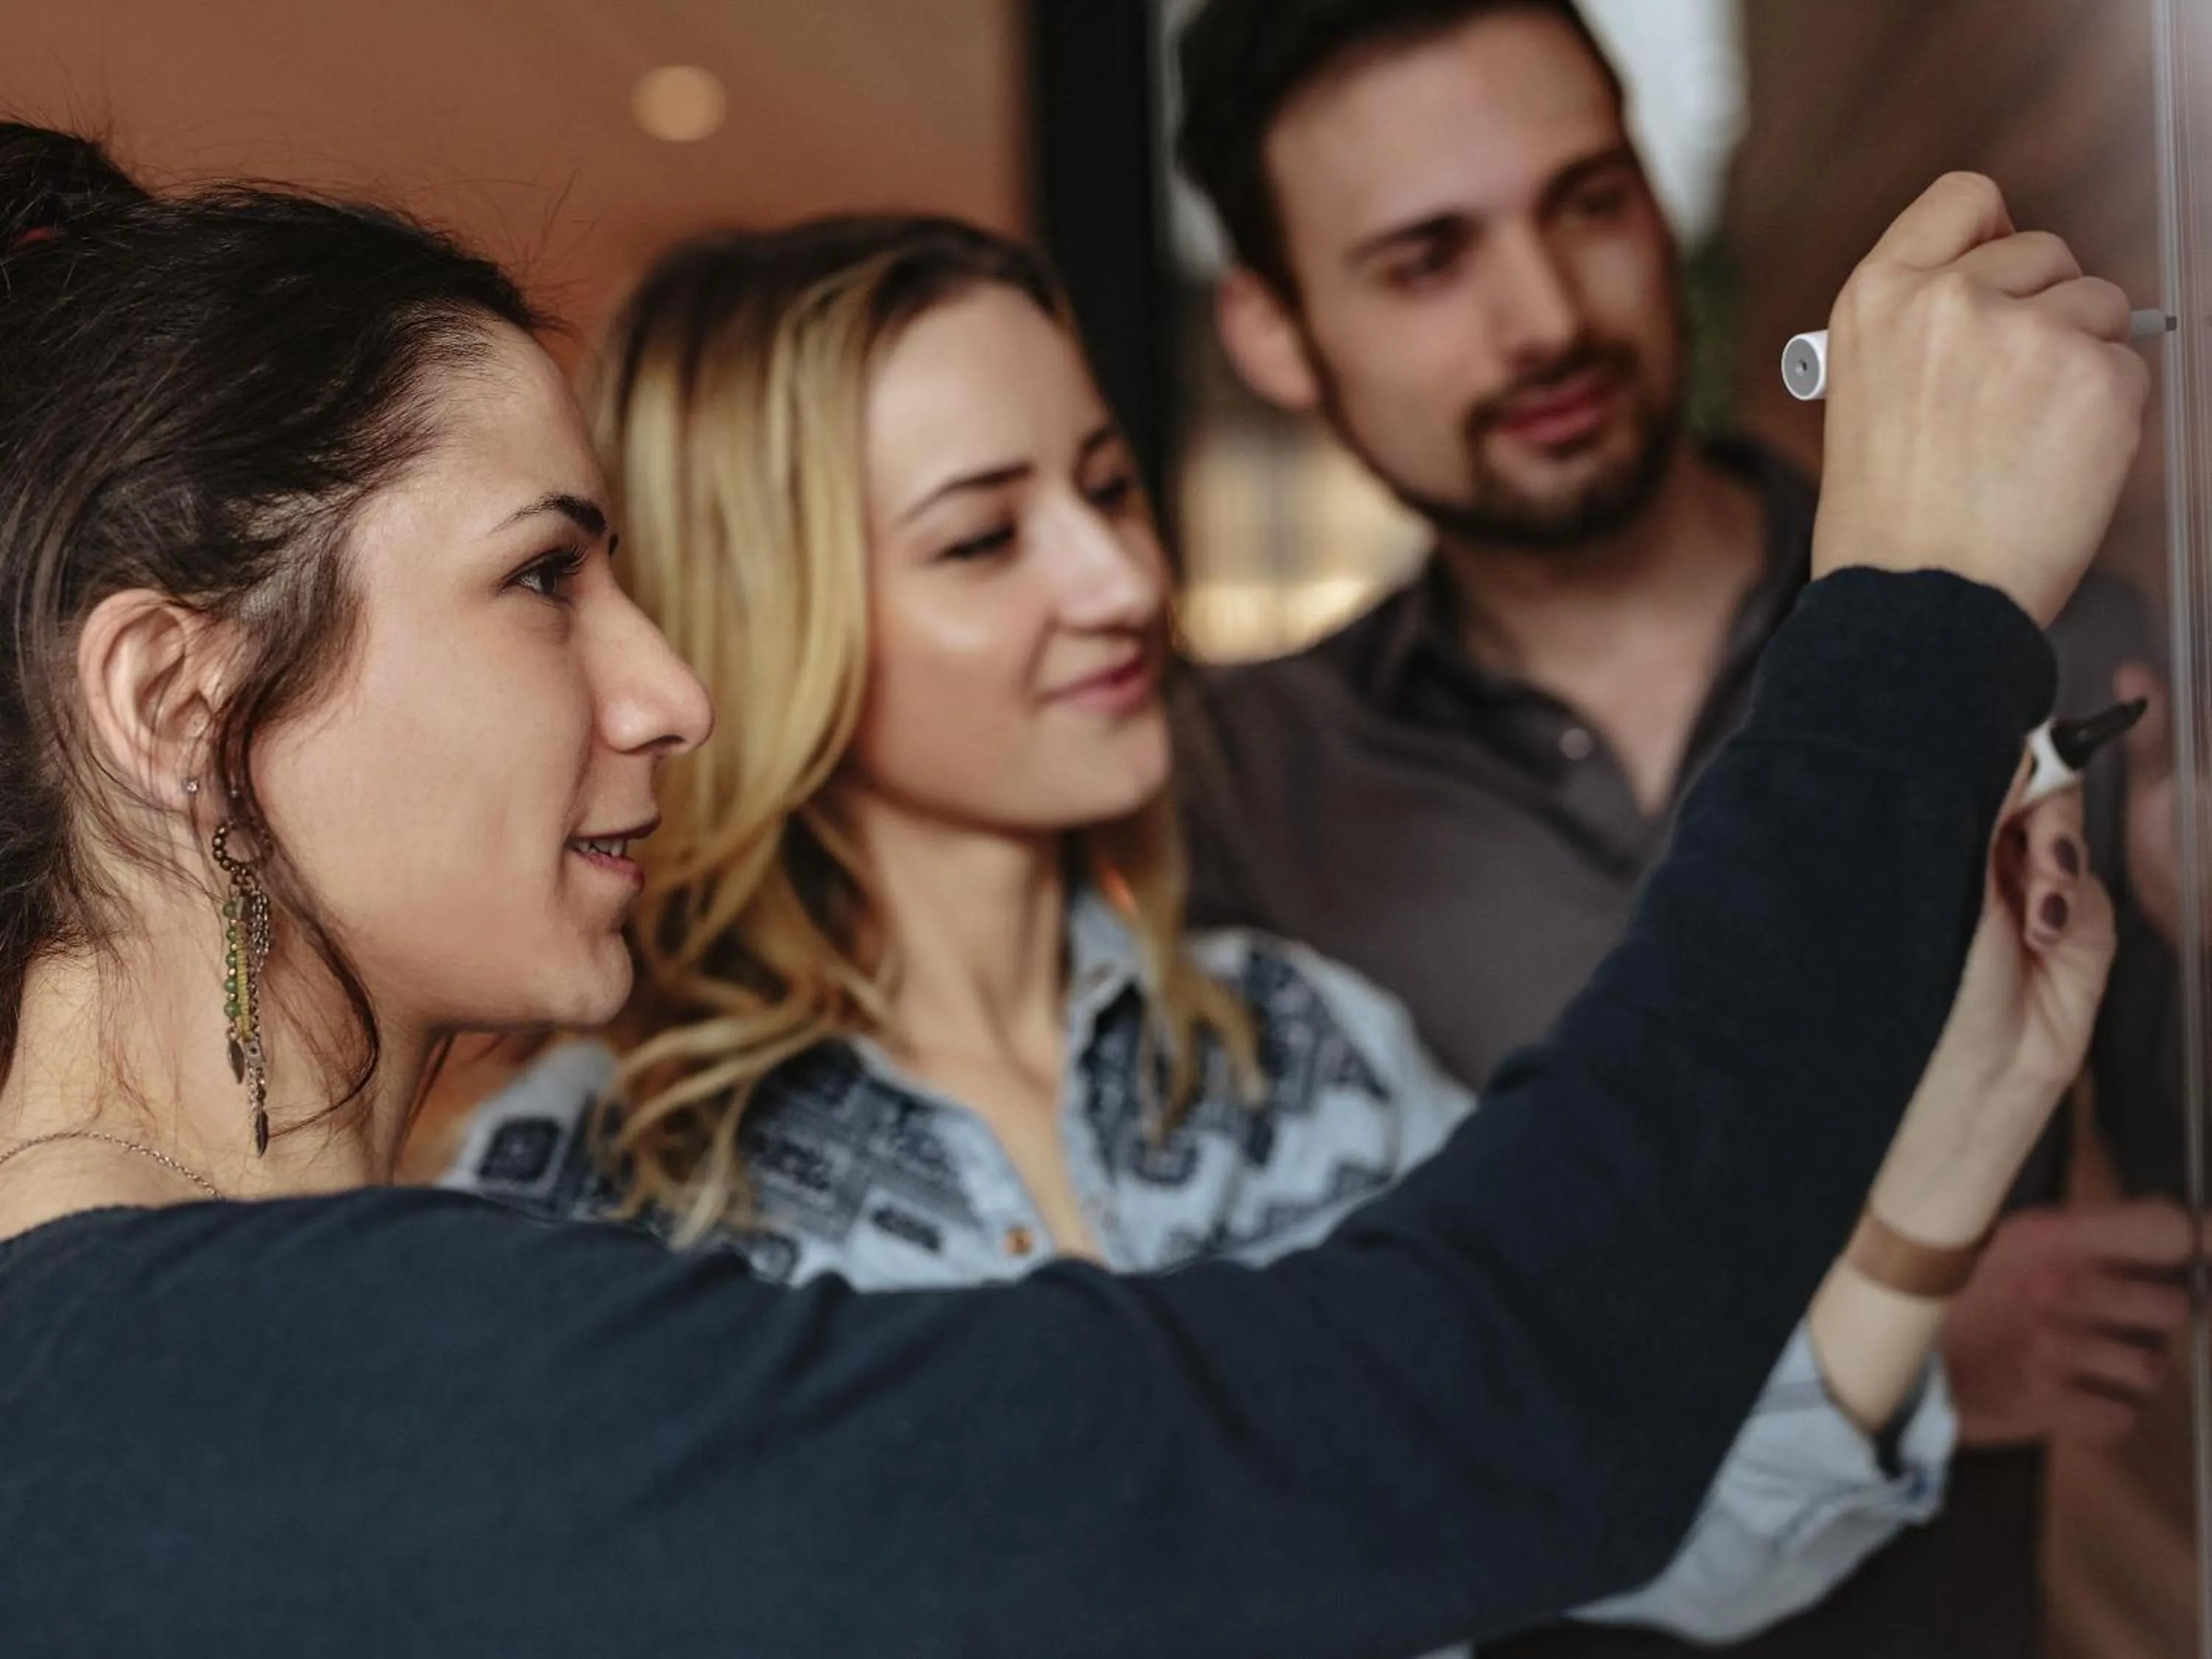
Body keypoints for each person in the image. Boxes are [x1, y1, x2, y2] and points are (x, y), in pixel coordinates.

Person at [0, 121, 2149, 1658]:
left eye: (1110, 490)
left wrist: (1942, 1135)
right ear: (177, 699)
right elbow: (1489, 1399)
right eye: (548, 578)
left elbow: (1526, 1484)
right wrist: (1915, 614)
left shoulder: (1279, 1033)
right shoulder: (437, 1333)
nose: (667, 686)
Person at [1168, 4, 2194, 1652]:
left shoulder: (2046, 633)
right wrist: (1896, 1342)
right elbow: (1289, 1398)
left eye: (1586, 202)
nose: (1548, 318)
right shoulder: (1219, 794)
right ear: (1277, 332)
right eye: (1428, 261)